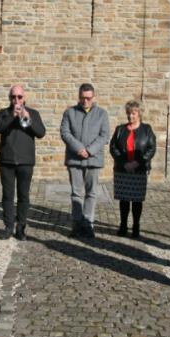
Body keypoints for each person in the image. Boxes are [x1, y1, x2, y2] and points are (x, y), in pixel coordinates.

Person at [0, 84, 46, 240]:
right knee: (7, 196)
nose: (16, 100)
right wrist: (12, 117)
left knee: (23, 196)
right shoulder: (3, 113)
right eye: (13, 97)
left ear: (25, 97)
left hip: (26, 162)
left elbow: (41, 133)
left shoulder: (33, 113)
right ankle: (8, 227)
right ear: (10, 98)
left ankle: (21, 228)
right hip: (7, 161)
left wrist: (27, 118)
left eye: (19, 97)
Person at [60, 83, 110, 238]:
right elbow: (65, 132)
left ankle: (88, 224)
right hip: (74, 159)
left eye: (88, 98)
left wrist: (89, 150)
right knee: (76, 193)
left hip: (93, 159)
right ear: (79, 96)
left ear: (93, 97)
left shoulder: (102, 114)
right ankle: (76, 224)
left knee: (91, 193)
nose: (85, 101)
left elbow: (104, 135)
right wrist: (79, 148)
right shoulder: (69, 112)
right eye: (82, 98)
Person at [109, 101, 156, 238]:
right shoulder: (120, 130)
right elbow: (113, 147)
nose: (131, 116)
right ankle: (123, 225)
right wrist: (123, 163)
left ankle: (136, 226)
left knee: (136, 200)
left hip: (139, 169)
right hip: (122, 169)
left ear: (139, 114)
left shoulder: (147, 129)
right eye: (129, 113)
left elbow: (151, 148)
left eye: (134, 113)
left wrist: (138, 162)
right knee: (124, 199)